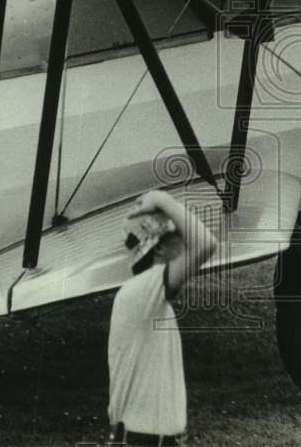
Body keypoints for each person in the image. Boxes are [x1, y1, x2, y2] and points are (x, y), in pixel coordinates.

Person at [107, 190, 217, 446]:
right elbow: (206, 244)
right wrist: (162, 200)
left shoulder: (145, 296)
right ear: (159, 246)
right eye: (179, 236)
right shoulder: (142, 289)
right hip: (144, 441)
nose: (185, 242)